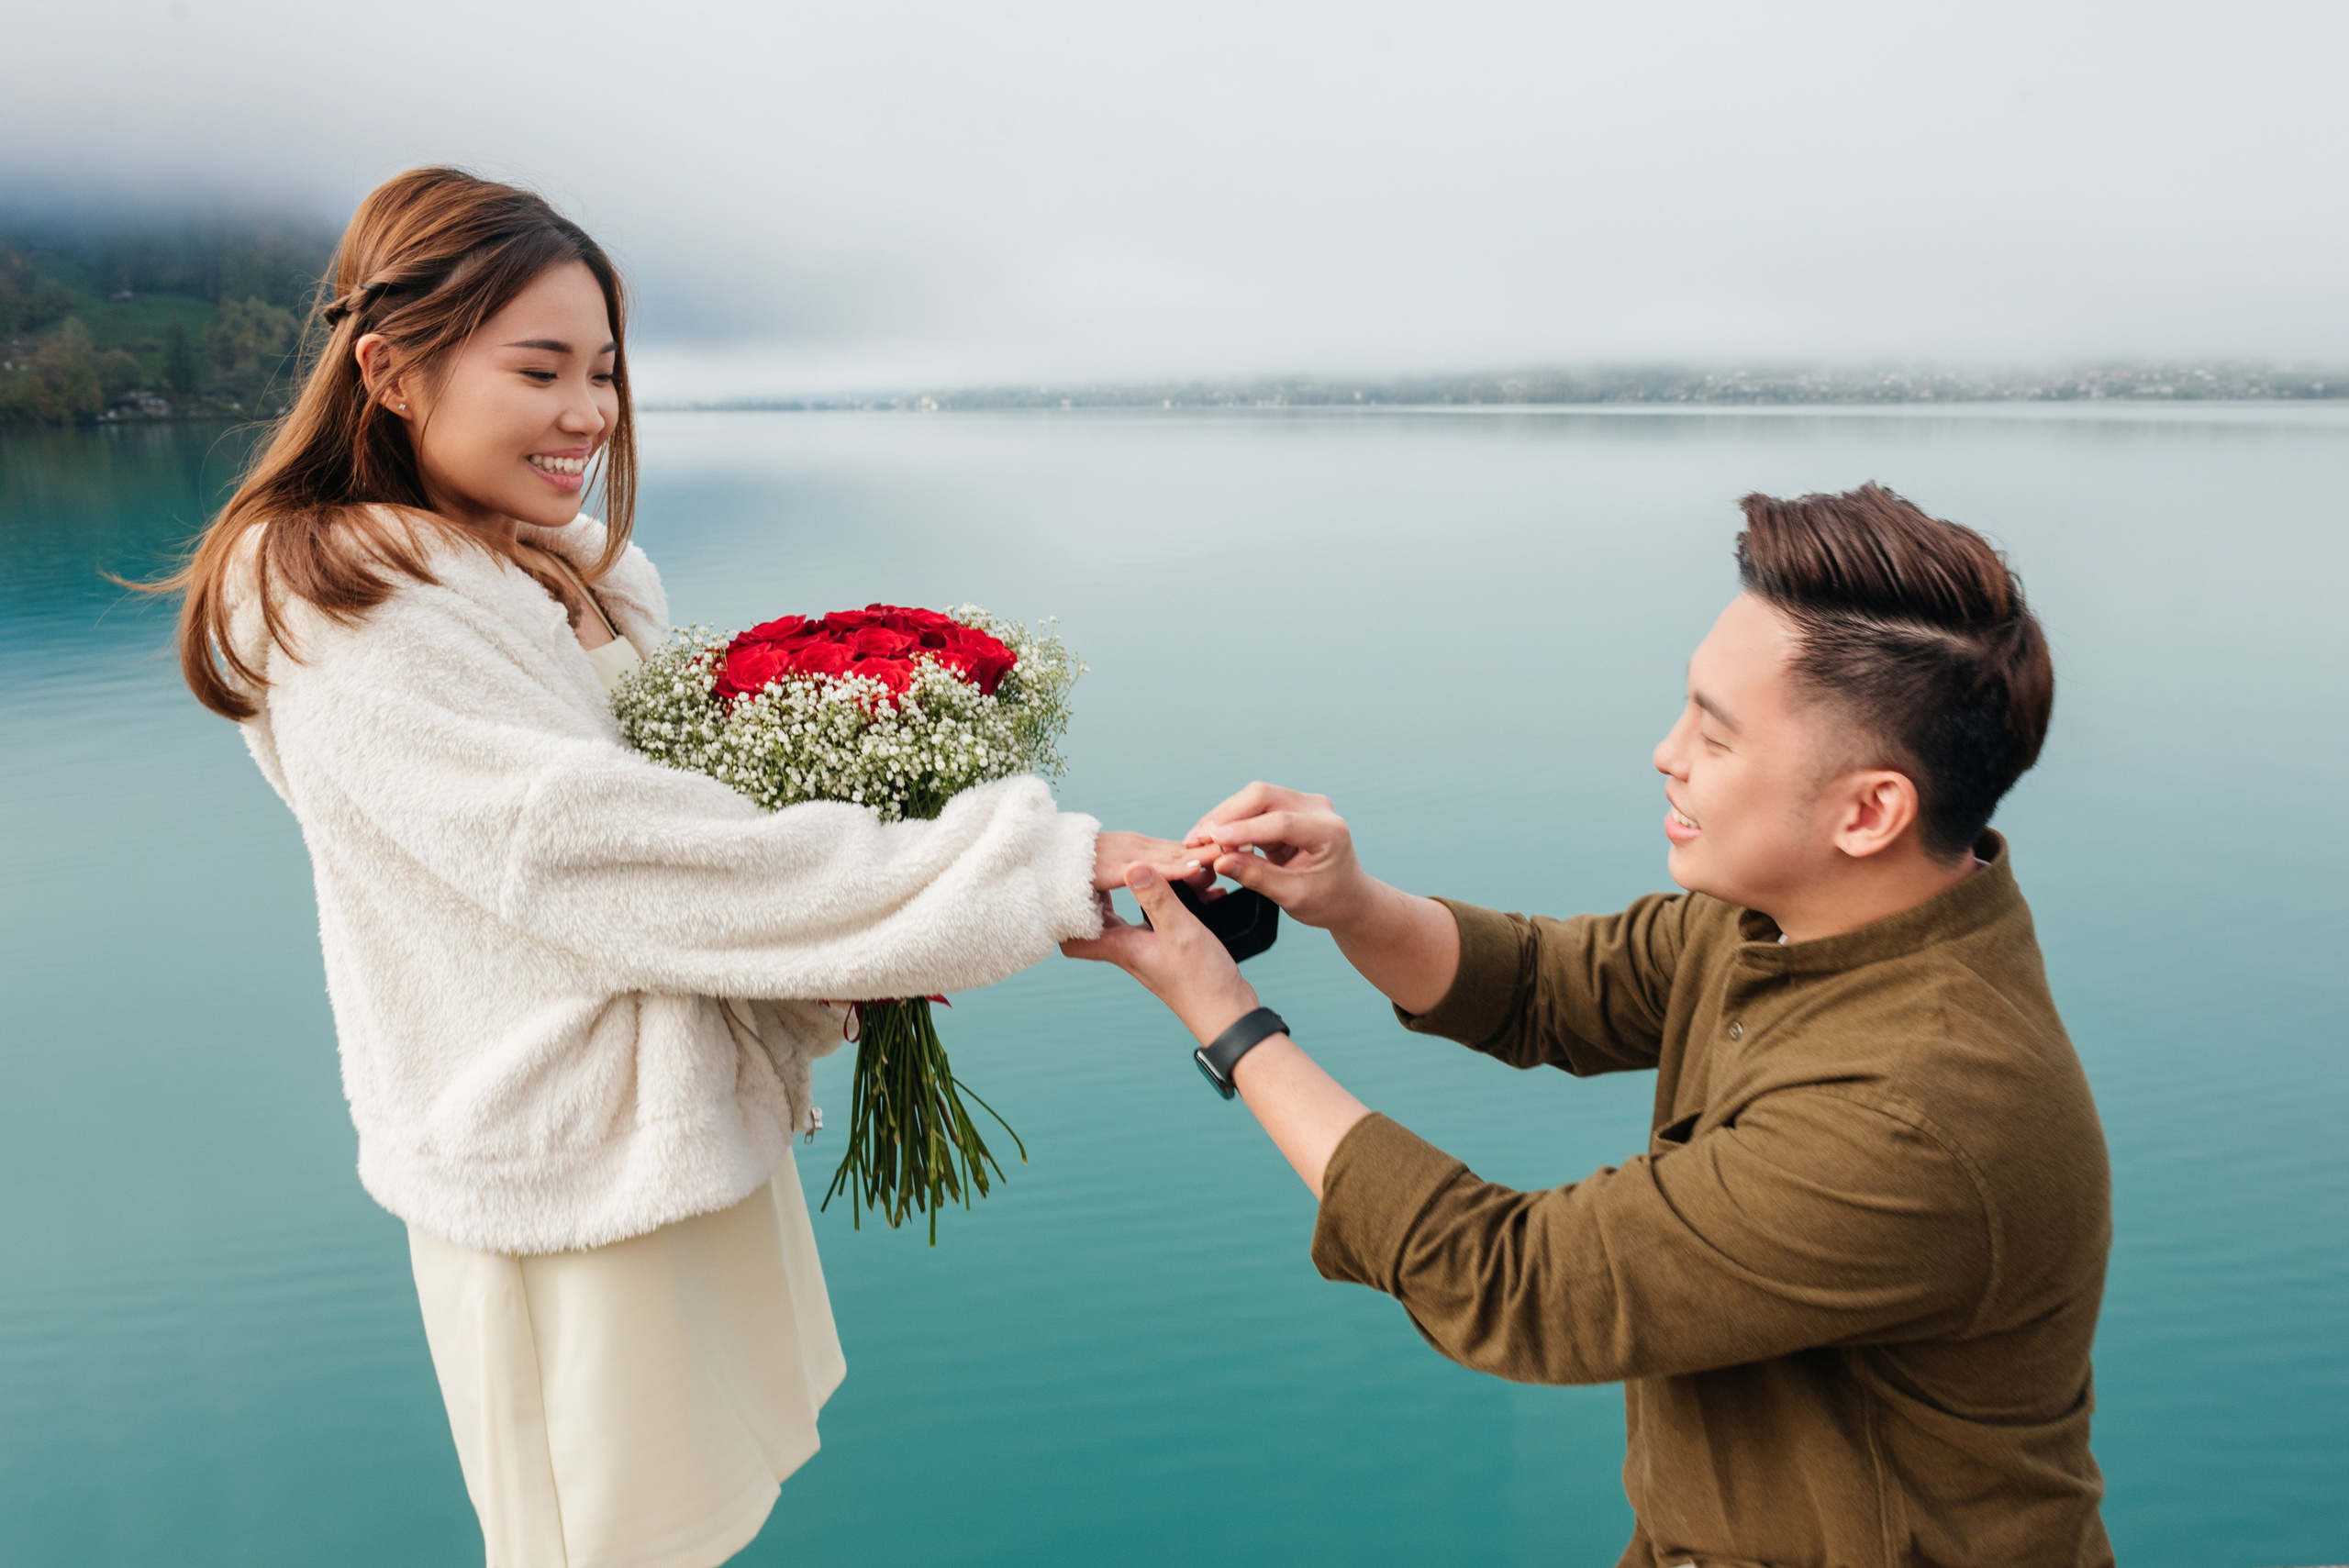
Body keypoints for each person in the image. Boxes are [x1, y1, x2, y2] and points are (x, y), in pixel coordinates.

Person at [154, 167, 1197, 1568]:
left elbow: (683, 836)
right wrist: (1026, 871)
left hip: (655, 1142)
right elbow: (612, 857)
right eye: (541, 368)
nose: (589, 411)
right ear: (389, 372)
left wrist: (850, 951)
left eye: (606, 369)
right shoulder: (348, 603)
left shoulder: (551, 570)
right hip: (560, 1178)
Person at [1068, 484, 2114, 1567]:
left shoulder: (1916, 1115)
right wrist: (1352, 900)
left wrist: (1230, 1022)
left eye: (1714, 734)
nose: (1666, 752)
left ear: (1868, 811)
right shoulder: (1799, 915)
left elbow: (1517, 1283)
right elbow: (1551, 985)